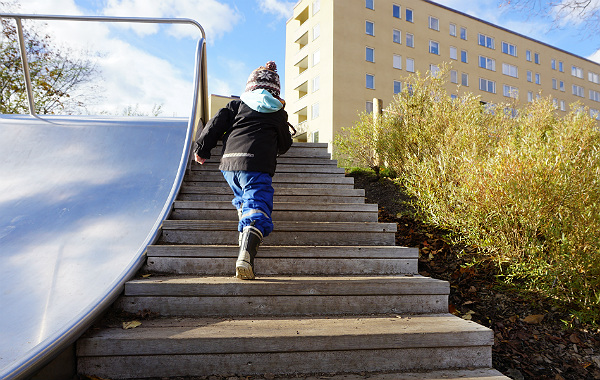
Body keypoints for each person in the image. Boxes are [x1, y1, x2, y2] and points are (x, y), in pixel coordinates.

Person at [193, 61, 293, 280]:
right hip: (256, 165)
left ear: (250, 87)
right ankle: (247, 247)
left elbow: (215, 124)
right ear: (275, 91)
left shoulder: (236, 105)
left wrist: (201, 148)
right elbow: (285, 145)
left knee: (243, 198)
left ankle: (244, 228)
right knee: (259, 204)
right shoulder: (276, 112)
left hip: (229, 165)